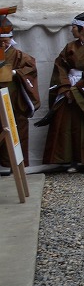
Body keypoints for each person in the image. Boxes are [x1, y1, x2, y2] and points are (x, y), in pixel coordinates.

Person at [41, 10, 84, 173]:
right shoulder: (70, 47)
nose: (71, 30)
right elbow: (60, 65)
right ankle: (71, 159)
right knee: (67, 124)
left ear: (82, 29)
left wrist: (78, 87)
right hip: (69, 87)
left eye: (74, 27)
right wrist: (65, 86)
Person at [0, 16, 39, 176]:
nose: (3, 44)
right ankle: (3, 164)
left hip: (15, 99)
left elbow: (31, 68)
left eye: (5, 41)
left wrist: (16, 73)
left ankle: (16, 165)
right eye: (1, 41)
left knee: (17, 129)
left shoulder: (19, 55)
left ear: (11, 39)